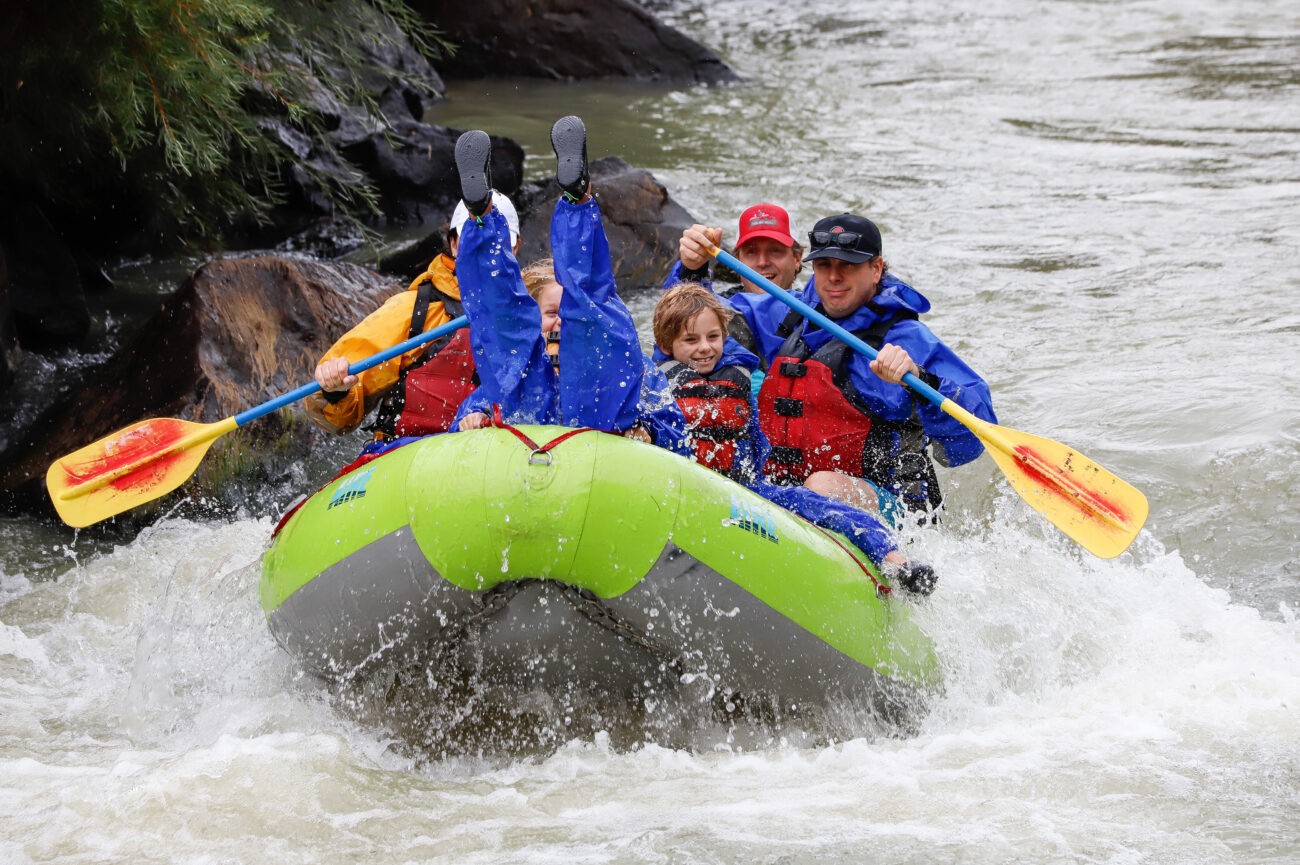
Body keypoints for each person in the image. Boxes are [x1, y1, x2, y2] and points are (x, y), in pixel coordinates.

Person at [676, 213, 996, 516]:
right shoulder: (789, 313)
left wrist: (921, 380)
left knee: (821, 486)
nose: (833, 277)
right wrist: (693, 271)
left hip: (892, 506)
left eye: (848, 265)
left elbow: (970, 442)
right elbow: (684, 333)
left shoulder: (907, 340)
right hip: (790, 496)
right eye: (824, 264)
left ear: (876, 269)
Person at [651, 281, 931, 591]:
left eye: (713, 337)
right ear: (666, 345)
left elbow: (758, 443)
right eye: (691, 340)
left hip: (746, 490)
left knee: (821, 506)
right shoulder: (657, 385)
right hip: (686, 484)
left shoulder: (738, 374)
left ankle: (895, 561)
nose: (704, 347)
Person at [449, 118, 688, 450]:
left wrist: (649, 430)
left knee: (585, 320)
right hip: (538, 416)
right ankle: (489, 214)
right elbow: (459, 425)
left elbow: (674, 428)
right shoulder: (522, 367)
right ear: (537, 322)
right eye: (550, 313)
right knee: (506, 327)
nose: (561, 320)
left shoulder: (640, 371)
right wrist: (473, 419)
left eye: (564, 313)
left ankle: (513, 212)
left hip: (599, 427)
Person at [305, 192, 521, 440]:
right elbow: (339, 420)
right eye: (471, 237)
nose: (484, 247)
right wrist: (336, 391)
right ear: (453, 244)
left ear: (515, 247)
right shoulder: (412, 312)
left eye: (498, 238)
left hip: (487, 452)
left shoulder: (531, 315)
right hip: (408, 452)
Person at [666, 203, 805, 362]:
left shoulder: (812, 313)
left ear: (797, 258)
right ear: (737, 260)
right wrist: (691, 270)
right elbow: (671, 326)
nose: (762, 262)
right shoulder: (717, 309)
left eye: (775, 250)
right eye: (751, 251)